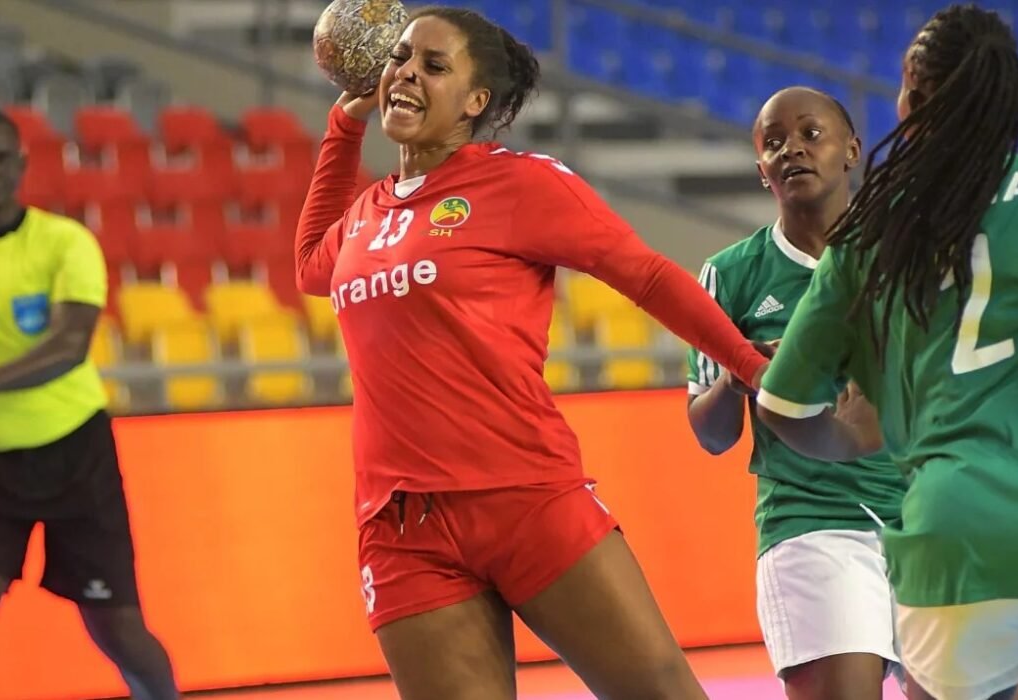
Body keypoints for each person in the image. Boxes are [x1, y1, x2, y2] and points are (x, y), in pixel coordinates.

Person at [294, 6, 771, 699]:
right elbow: (310, 264)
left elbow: (644, 274)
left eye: (434, 66)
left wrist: (750, 365)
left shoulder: (521, 184)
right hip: (402, 527)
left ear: (475, 101)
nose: (406, 73)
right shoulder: (366, 214)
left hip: (524, 496)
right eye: (399, 58)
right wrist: (345, 122)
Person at [753, 5, 1018, 700]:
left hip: (951, 525)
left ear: (913, 100)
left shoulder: (866, 235)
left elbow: (781, 407)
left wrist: (852, 437)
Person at [0, 109, 179, 700]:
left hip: (76, 453)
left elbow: (69, 347)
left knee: (117, 630)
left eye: (0, 159)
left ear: (21, 165)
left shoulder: (64, 242)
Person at [686, 86, 908, 700]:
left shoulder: (906, 259)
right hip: (813, 524)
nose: (792, 150)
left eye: (811, 134)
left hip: (929, 514)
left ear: (852, 151)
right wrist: (739, 377)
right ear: (762, 171)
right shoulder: (731, 275)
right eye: (774, 142)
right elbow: (710, 436)